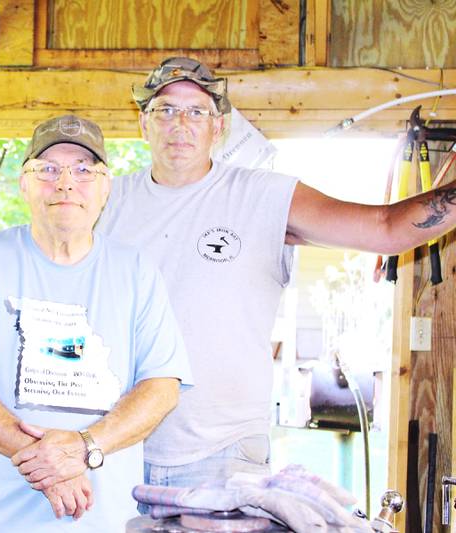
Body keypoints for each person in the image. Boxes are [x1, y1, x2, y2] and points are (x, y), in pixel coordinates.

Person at [96, 56, 456, 490]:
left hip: (221, 452)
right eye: (165, 110)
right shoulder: (103, 201)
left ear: (219, 127)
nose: (180, 123)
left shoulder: (263, 197)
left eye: (197, 111)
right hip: (112, 444)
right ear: (143, 124)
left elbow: (385, 229)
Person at [0, 114, 193, 532]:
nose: (65, 183)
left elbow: (162, 386)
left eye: (84, 170)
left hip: (104, 522)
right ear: (23, 183)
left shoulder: (135, 270)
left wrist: (84, 448)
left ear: (105, 187)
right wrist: (50, 462)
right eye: (47, 169)